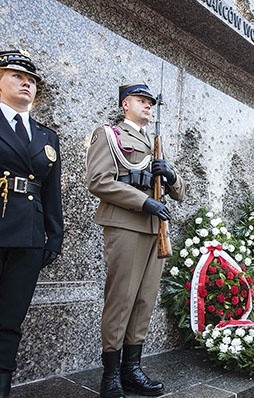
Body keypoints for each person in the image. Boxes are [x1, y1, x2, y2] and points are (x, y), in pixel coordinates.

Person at [86, 83, 186, 397]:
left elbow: (180, 191)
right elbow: (98, 180)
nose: (147, 107)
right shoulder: (110, 135)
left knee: (144, 301)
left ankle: (132, 369)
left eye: (150, 103)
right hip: (126, 224)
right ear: (126, 104)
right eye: (142, 101)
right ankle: (111, 374)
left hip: (155, 230)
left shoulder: (153, 142)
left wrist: (169, 175)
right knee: (122, 299)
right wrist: (143, 202)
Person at [0, 50, 63, 397]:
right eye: (17, 77)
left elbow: (51, 191)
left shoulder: (46, 136)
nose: (26, 84)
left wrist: (54, 236)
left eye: (32, 81)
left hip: (28, 236)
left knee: (10, 319)